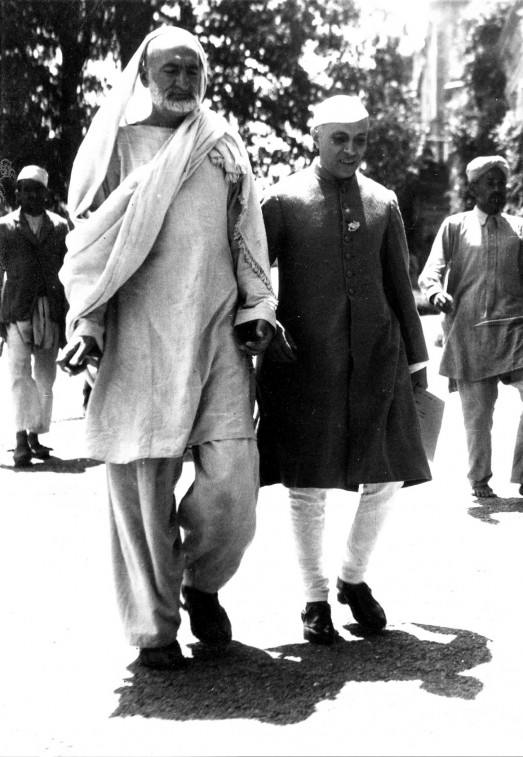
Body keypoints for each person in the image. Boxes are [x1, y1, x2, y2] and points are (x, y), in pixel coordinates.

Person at [58, 26, 276, 670]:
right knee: (141, 484)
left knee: (235, 481)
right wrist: (88, 327)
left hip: (215, 334)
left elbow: (248, 236)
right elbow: (91, 252)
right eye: (169, 70)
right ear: (143, 77)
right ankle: (154, 628)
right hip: (137, 336)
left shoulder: (223, 146)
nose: (182, 81)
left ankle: (201, 583)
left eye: (192, 70)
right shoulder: (114, 150)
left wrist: (258, 308)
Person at [257, 95, 431, 645]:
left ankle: (352, 579)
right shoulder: (282, 199)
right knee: (307, 483)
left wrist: (418, 359)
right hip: (306, 361)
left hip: (379, 357)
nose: (351, 151)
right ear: (315, 137)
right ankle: (313, 597)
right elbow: (254, 277)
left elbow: (400, 287)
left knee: (387, 473)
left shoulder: (384, 201)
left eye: (360, 140)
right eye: (340, 139)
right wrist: (261, 328)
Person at [418, 155, 523, 504]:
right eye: (490, 181)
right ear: (473, 188)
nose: (498, 188)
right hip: (469, 334)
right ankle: (479, 480)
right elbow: (430, 273)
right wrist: (436, 292)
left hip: (512, 330)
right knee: (479, 416)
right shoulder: (454, 226)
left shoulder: (521, 228)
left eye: (502, 181)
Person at [0, 165, 69, 467]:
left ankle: (35, 436)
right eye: (26, 189)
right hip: (16, 309)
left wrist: (70, 316)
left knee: (45, 376)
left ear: (46, 192)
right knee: (18, 374)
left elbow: (70, 273)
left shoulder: (60, 226)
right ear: (18, 192)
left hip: (50, 309)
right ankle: (19, 440)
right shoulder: (5, 227)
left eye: (37, 189)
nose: (32, 195)